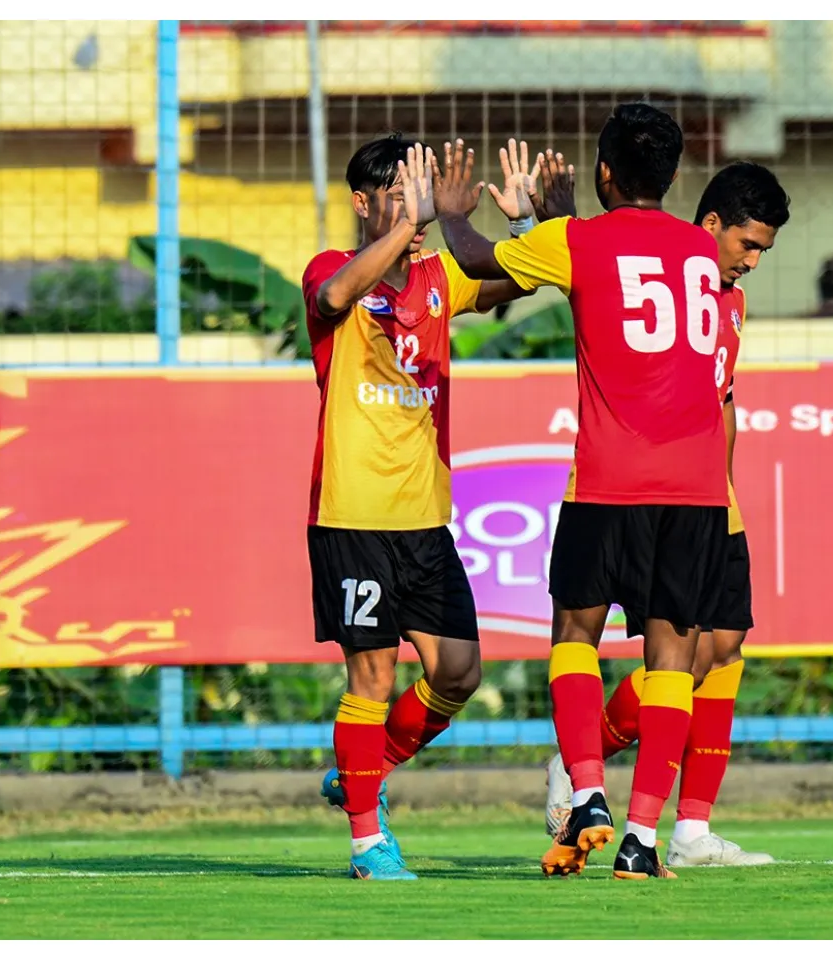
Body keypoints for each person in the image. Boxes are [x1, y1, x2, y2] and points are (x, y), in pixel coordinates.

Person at [436, 103, 731, 880]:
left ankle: (589, 792)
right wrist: (557, 219)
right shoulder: (701, 250)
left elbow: (475, 262)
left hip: (611, 480)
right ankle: (642, 840)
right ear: (670, 178)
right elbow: (605, 269)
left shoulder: (577, 240)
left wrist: (450, 215)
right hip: (699, 485)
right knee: (672, 656)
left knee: (574, 632)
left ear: (604, 172)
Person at [543, 162, 792, 868]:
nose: (750, 263)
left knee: (726, 644)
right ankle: (582, 758)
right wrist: (555, 220)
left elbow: (725, 402)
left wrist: (727, 498)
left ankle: (690, 829)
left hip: (708, 497)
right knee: (682, 650)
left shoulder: (729, 301)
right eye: (747, 245)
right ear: (709, 224)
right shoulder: (654, 274)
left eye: (761, 253)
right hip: (635, 487)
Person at [303, 135, 538, 880]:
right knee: (370, 678)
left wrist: (524, 226)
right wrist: (410, 225)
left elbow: (515, 283)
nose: (418, 209)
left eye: (422, 193)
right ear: (364, 204)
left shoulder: (438, 277)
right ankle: (369, 842)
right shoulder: (332, 270)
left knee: (459, 672)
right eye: (402, 195)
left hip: (423, 516)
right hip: (352, 513)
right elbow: (331, 299)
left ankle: (362, 774)